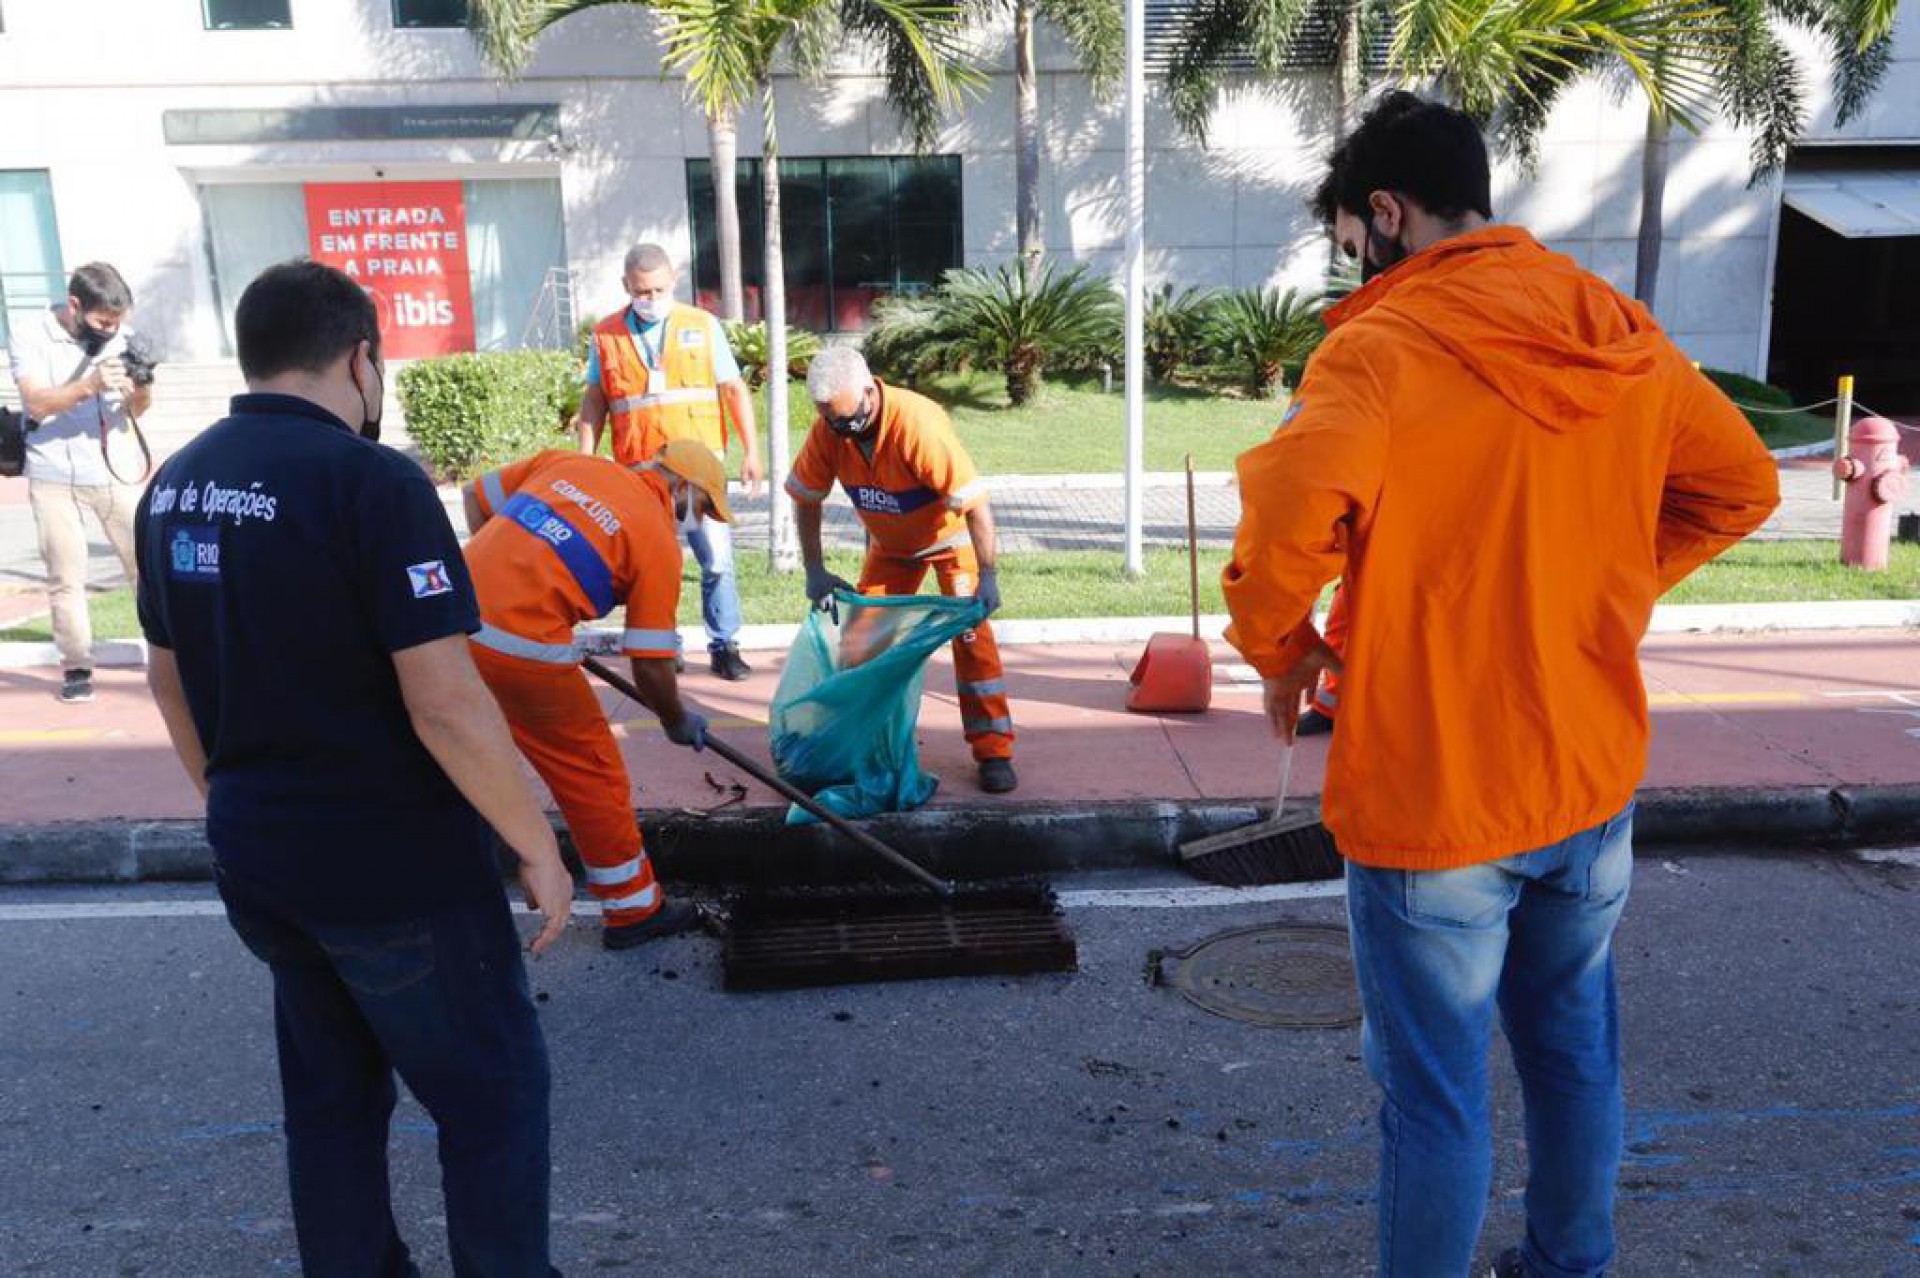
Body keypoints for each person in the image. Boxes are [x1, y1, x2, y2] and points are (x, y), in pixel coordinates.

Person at [1221, 91, 1780, 1277]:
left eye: (1350, 242)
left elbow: (1281, 526)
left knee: (1432, 1102)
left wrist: (1284, 655)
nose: (1352, 267)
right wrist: (1605, 584)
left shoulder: (1377, 350)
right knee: (1575, 1052)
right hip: (1586, 783)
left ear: (1388, 212)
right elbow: (1741, 484)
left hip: (1436, 801)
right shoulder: (1611, 324)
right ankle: (1568, 1266)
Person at [136, 259, 574, 1277]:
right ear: (362, 359)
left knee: (332, 1107)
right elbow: (447, 703)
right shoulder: (371, 480)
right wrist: (534, 845)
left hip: (260, 858)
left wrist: (231, 800)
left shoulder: (177, 483)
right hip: (394, 867)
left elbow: (168, 682)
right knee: (493, 1098)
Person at [462, 438, 726, 950]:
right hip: (521, 647)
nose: (702, 520)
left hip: (451, 619)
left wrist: (505, 581)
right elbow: (650, 668)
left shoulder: (568, 462)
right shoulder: (655, 539)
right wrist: (674, 719)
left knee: (459, 753)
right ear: (680, 487)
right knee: (590, 771)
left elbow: (476, 497)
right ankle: (633, 911)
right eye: (704, 506)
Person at [787, 347, 1017, 795]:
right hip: (891, 547)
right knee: (863, 641)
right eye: (833, 422)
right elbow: (806, 498)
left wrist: (988, 576)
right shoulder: (830, 430)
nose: (843, 433)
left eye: (849, 421)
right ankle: (860, 743)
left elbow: (976, 504)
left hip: (951, 544)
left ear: (870, 391)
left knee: (973, 641)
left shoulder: (918, 426)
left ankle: (994, 750)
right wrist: (814, 571)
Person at [576, 243, 761, 682]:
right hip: (640, 474)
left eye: (658, 289)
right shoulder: (606, 336)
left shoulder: (701, 325)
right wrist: (584, 460)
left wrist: (751, 452)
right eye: (642, 291)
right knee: (654, 566)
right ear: (626, 286)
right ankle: (664, 646)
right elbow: (595, 400)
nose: (651, 298)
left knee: (715, 559)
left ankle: (724, 644)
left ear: (673, 280)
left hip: (696, 472)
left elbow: (734, 390)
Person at [9, 262, 153, 704]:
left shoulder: (123, 339)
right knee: (65, 575)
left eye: (118, 322)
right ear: (75, 306)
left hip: (113, 468)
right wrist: (90, 384)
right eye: (102, 322)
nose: (111, 331)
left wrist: (141, 386)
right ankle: (76, 665)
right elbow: (35, 402)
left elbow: (140, 410)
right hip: (52, 470)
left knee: (144, 567)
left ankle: (170, 653)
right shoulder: (31, 333)